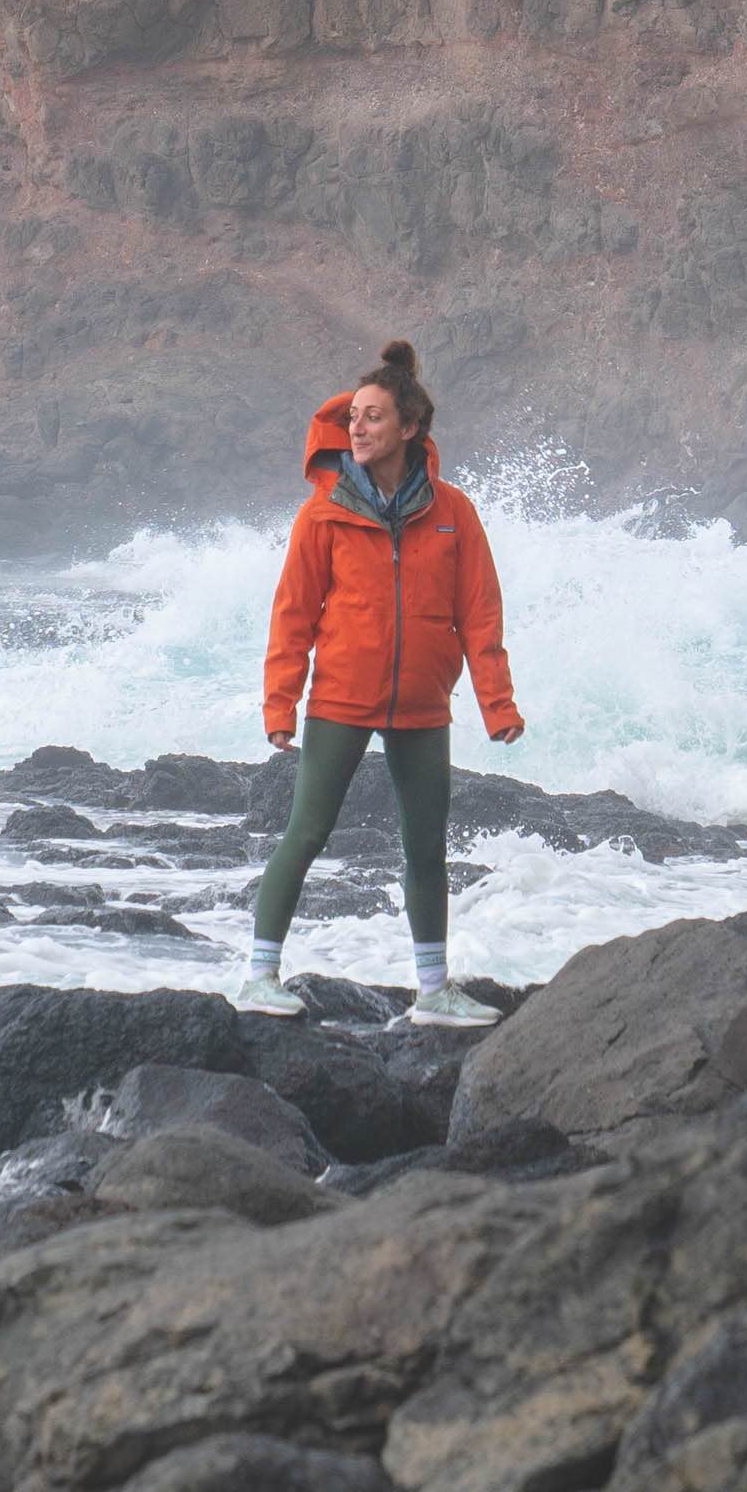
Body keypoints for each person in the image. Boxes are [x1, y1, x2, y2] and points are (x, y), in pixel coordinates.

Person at [242, 339, 519, 1021]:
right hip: (340, 697)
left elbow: (479, 613)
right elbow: (293, 613)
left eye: (372, 417)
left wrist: (496, 703)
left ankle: (432, 991)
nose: (356, 428)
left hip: (423, 704)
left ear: (410, 427)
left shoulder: (453, 512)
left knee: (425, 848)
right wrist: (280, 701)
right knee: (305, 834)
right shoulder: (324, 512)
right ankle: (256, 976)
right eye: (352, 418)